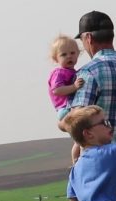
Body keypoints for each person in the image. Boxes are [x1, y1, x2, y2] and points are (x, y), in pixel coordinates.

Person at [65, 11, 116, 188]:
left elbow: (76, 121)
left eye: (82, 40)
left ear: (88, 38)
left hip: (100, 160)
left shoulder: (89, 72)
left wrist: (62, 122)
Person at [48, 35, 84, 163]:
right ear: (55, 58)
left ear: (78, 54)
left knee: (80, 139)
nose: (69, 56)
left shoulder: (72, 71)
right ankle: (76, 161)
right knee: (80, 139)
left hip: (69, 107)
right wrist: (74, 87)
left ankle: (78, 160)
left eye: (72, 53)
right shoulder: (59, 73)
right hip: (64, 109)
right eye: (64, 54)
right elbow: (57, 90)